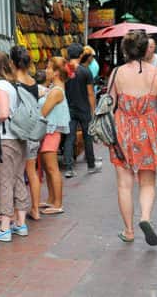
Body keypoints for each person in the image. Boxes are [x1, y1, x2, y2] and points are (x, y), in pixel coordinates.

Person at [108, 30, 157, 246]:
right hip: (149, 130)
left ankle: (128, 231)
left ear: (125, 50)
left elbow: (109, 106)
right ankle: (145, 218)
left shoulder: (116, 73)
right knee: (147, 182)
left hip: (122, 131)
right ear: (147, 49)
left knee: (124, 184)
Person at [0, 50, 31, 242]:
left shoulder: (0, 85)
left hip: (5, 139)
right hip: (19, 138)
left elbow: (3, 113)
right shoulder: (13, 84)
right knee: (18, 179)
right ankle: (20, 223)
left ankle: (4, 227)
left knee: (4, 181)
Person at [11, 46, 42, 220]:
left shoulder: (13, 82)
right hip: (33, 130)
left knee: (16, 174)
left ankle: (18, 213)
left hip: (19, 133)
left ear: (12, 62)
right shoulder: (32, 81)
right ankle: (35, 210)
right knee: (32, 171)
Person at [38, 57, 71, 215]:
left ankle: (58, 203)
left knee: (52, 168)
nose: (47, 70)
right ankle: (52, 199)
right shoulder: (54, 88)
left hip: (51, 132)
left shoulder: (56, 91)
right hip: (49, 131)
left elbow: (43, 112)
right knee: (48, 167)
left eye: (49, 68)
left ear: (57, 72)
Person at [63, 43, 99, 178]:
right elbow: (90, 93)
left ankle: (69, 168)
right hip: (83, 108)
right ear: (80, 55)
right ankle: (91, 165)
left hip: (69, 108)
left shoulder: (65, 70)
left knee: (69, 137)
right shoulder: (85, 71)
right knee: (87, 136)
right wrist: (93, 110)